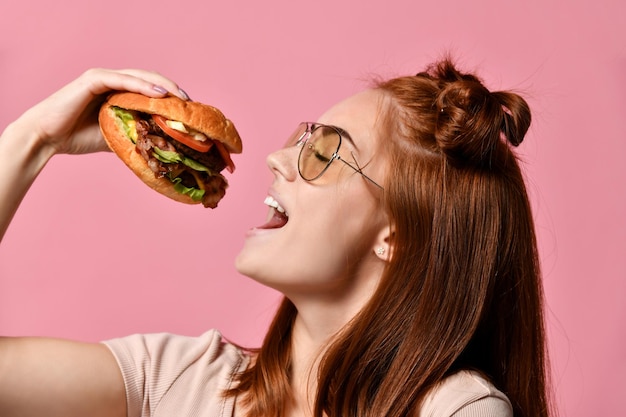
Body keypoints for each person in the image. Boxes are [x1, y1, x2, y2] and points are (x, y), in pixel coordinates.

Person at [0, 60, 552, 417]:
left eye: (323, 153)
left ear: (398, 233)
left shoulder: (457, 411)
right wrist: (31, 140)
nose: (275, 158)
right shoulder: (180, 381)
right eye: (301, 139)